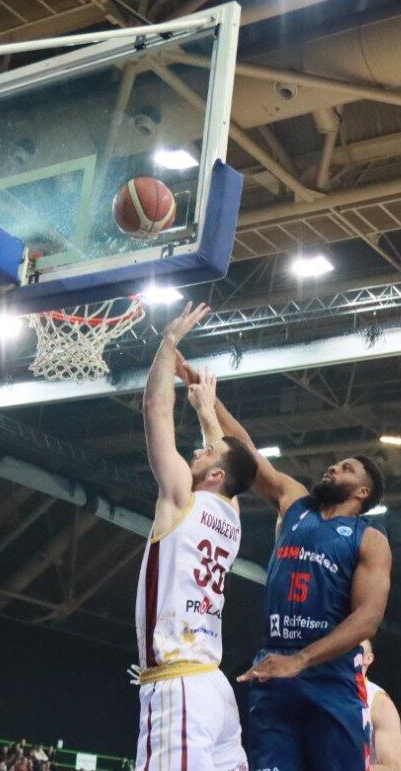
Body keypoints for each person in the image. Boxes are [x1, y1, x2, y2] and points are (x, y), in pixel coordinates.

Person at [182, 349, 392, 771]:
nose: (333, 468)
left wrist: (303, 659)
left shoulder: (369, 537)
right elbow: (248, 453)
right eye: (335, 464)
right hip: (275, 668)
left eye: (346, 469)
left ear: (363, 492)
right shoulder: (296, 502)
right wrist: (207, 398)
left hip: (330, 679)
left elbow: (367, 620)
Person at [133, 303, 260, 771]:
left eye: (205, 454)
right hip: (214, 687)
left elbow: (154, 409)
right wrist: (207, 411)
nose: (197, 452)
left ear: (215, 474)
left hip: (179, 685)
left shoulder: (181, 498)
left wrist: (168, 343)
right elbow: (230, 465)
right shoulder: (231, 516)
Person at [356, 642, 401, 771]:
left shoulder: (379, 702)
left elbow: (394, 768)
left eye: (353, 648)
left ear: (368, 658)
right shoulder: (322, 692)